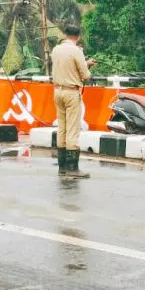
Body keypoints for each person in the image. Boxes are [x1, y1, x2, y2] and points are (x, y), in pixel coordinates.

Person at [51, 24, 96, 178]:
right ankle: (73, 168)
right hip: (71, 93)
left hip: (57, 91)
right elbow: (85, 75)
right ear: (78, 37)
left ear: (65, 34)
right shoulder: (76, 50)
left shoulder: (56, 49)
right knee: (72, 129)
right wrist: (87, 66)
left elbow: (65, 66)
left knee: (61, 128)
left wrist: (85, 63)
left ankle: (62, 167)